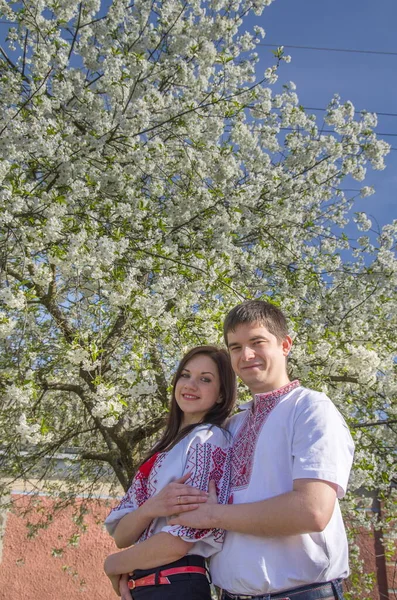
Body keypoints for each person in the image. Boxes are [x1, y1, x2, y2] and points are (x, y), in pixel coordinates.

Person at [168, 300, 355, 600]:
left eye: (257, 342)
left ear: (285, 345)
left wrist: (215, 516)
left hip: (300, 594)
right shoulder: (232, 426)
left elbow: (312, 511)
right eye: (236, 347)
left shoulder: (310, 408)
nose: (247, 355)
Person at [103, 345, 236, 600]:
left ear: (221, 395)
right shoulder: (162, 448)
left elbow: (180, 540)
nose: (190, 385)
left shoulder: (209, 441)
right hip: (144, 586)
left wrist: (113, 564)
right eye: (185, 375)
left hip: (176, 582)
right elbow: (122, 533)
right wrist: (152, 507)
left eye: (205, 379)